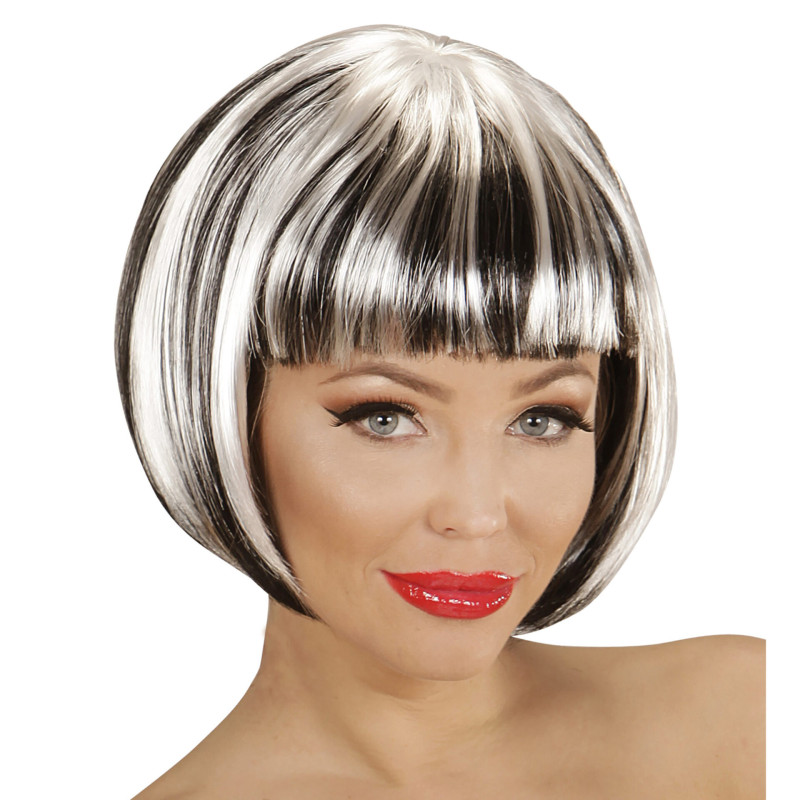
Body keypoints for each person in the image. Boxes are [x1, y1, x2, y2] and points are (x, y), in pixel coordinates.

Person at [116, 24, 765, 798]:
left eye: (542, 419)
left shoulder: (750, 721)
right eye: (385, 417)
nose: (478, 514)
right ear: (223, 409)